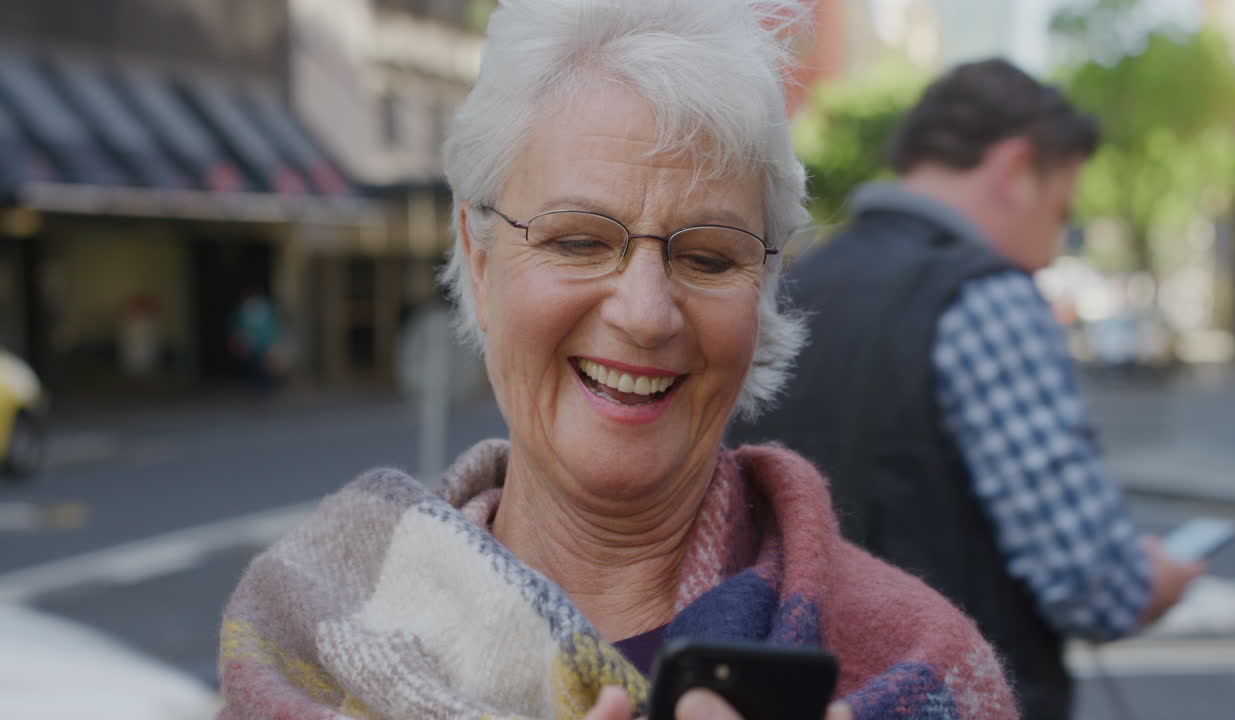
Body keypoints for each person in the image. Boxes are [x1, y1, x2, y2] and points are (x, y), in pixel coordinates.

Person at [216, 4, 1018, 720]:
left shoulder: (923, 666)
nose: (645, 313)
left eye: (708, 257)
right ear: (481, 261)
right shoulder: (305, 634)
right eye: (578, 241)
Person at [729, 58, 1205, 720]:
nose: (1049, 253)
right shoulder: (986, 297)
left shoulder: (796, 282)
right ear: (1015, 168)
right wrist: (1153, 581)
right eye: (1060, 212)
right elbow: (1093, 586)